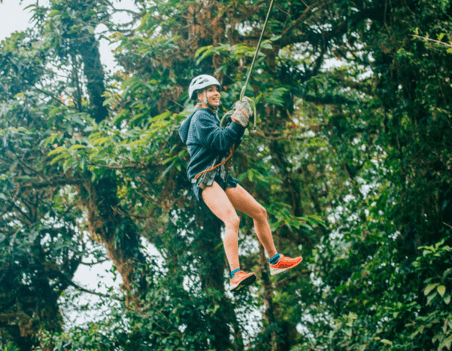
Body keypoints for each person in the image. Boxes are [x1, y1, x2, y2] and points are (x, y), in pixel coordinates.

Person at [179, 74, 302, 292]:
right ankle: (235, 275)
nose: (216, 92)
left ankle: (274, 260)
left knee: (259, 212)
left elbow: (228, 141)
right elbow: (220, 141)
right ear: (200, 96)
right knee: (232, 220)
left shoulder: (210, 117)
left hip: (220, 176)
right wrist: (237, 121)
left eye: (216, 89)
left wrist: (238, 120)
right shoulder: (200, 117)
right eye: (210, 90)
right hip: (204, 178)